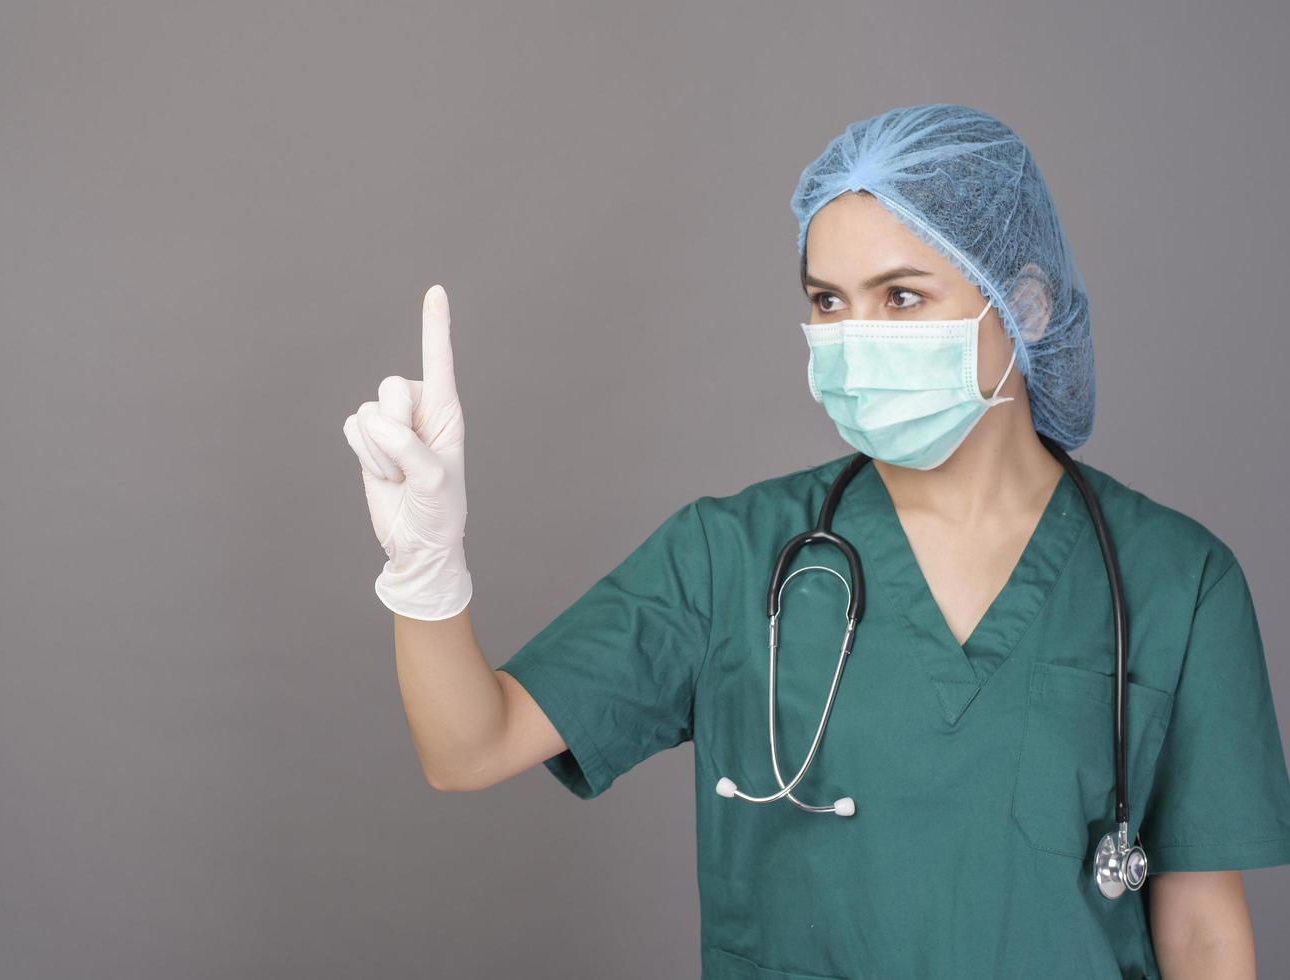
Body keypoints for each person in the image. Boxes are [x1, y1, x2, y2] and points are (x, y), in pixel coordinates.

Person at [342, 103, 1290, 978]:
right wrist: (426, 573)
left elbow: (1204, 928)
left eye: (902, 297)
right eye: (828, 301)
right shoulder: (732, 553)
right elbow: (469, 748)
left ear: (1028, 305)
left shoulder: (1175, 578)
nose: (853, 335)